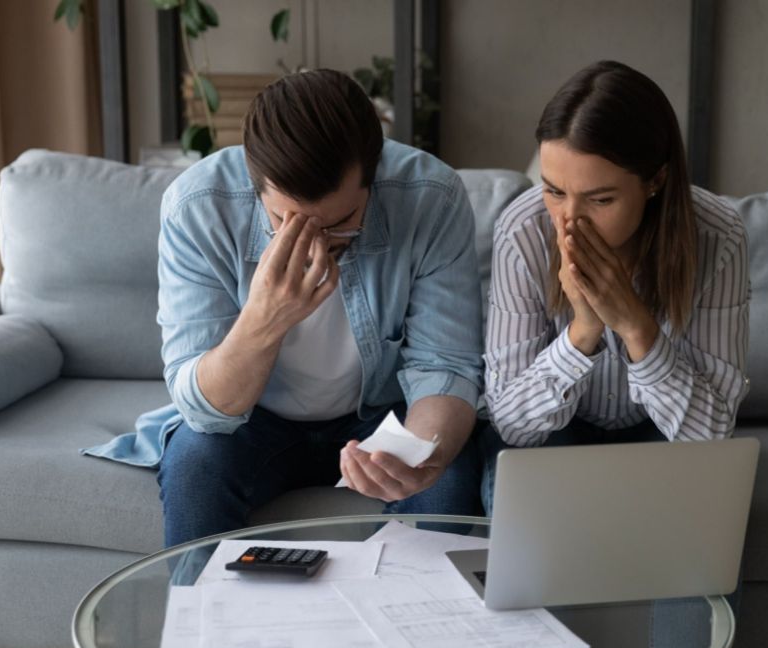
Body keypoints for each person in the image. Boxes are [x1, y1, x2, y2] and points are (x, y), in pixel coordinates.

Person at [86, 69, 484, 547]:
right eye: (285, 221)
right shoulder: (198, 206)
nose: (315, 242)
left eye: (341, 223)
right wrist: (263, 319)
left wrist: (423, 455)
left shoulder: (430, 198)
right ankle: (204, 623)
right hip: (253, 421)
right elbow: (203, 410)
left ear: (373, 180)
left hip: (383, 412)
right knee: (196, 468)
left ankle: (422, 622)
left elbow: (446, 366)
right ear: (256, 186)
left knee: (448, 479)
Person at [480, 59, 750, 648]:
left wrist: (636, 328)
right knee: (522, 523)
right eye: (554, 190)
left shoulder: (718, 236)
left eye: (599, 198)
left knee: (704, 533)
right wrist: (583, 331)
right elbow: (514, 425)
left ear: (654, 181)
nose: (568, 222)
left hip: (668, 437)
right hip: (553, 436)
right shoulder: (523, 232)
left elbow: (710, 436)